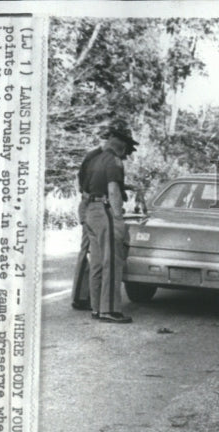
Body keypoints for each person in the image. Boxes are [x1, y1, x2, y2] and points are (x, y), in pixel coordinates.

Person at [80, 122, 139, 323]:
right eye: (127, 150)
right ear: (122, 145)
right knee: (113, 262)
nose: (126, 155)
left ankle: (97, 308)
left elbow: (85, 187)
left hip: (90, 210)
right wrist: (118, 218)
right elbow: (113, 189)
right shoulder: (114, 161)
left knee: (97, 263)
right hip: (105, 212)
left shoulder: (95, 159)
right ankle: (111, 310)